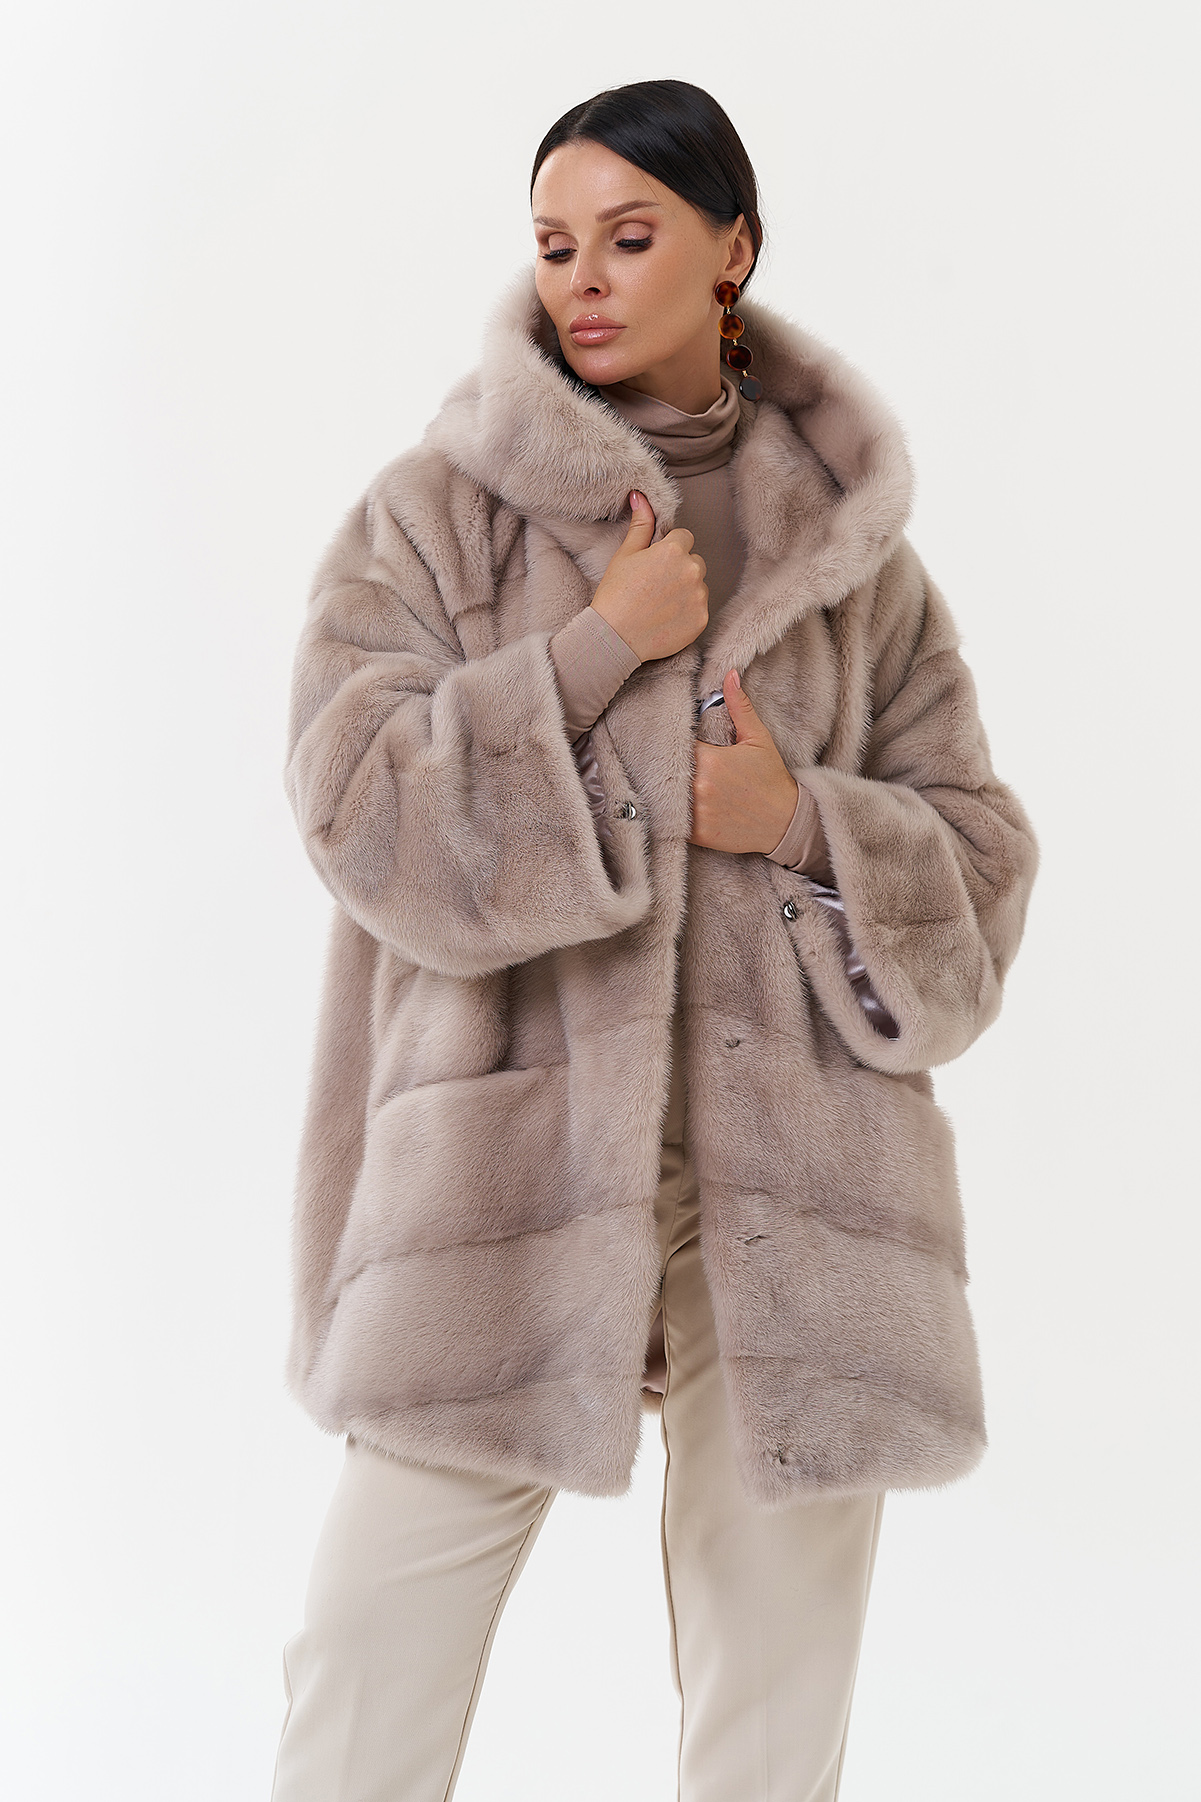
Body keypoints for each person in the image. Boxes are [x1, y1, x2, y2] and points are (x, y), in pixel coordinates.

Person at [269, 78, 1039, 1802]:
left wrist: (800, 820)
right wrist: (592, 651)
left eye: (629, 238)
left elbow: (981, 873)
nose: (585, 280)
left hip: (800, 1179)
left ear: (732, 252)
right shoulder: (438, 513)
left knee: (776, 1693)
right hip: (502, 1163)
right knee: (369, 1645)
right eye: (555, 246)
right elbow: (353, 805)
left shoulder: (857, 560)